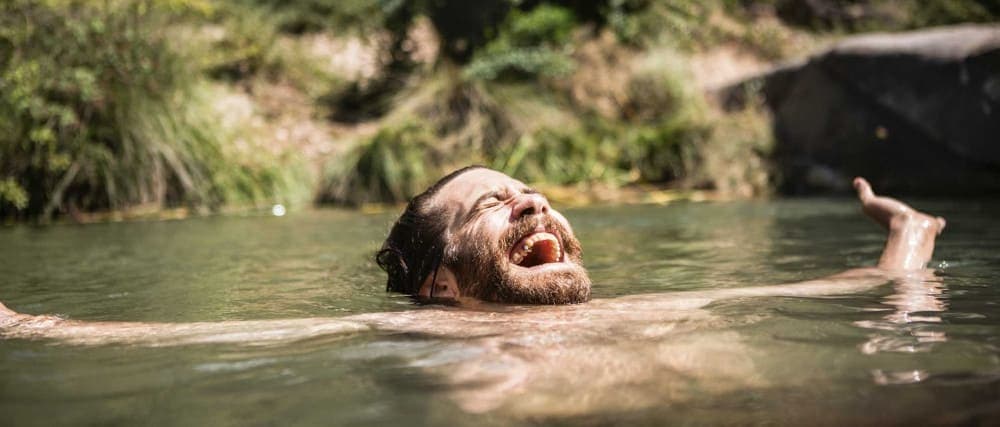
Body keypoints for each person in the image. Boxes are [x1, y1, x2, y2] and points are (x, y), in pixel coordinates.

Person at [0, 166, 946, 346]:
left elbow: (852, 294)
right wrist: (23, 323)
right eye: (491, 204)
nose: (533, 199)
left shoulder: (650, 312)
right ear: (442, 284)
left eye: (529, 191)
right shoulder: (420, 338)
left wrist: (908, 238)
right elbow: (220, 333)